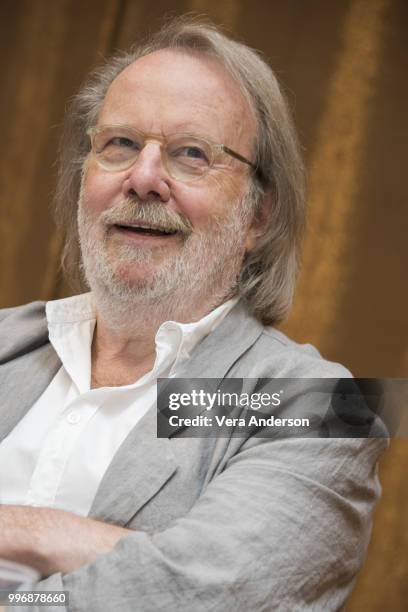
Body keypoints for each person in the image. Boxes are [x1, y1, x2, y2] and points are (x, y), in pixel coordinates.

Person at [0, 16, 387, 612]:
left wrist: (28, 540)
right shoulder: (6, 341)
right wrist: (137, 553)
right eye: (120, 145)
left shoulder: (319, 404)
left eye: (191, 155)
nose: (144, 178)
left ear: (258, 216)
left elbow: (220, 595)